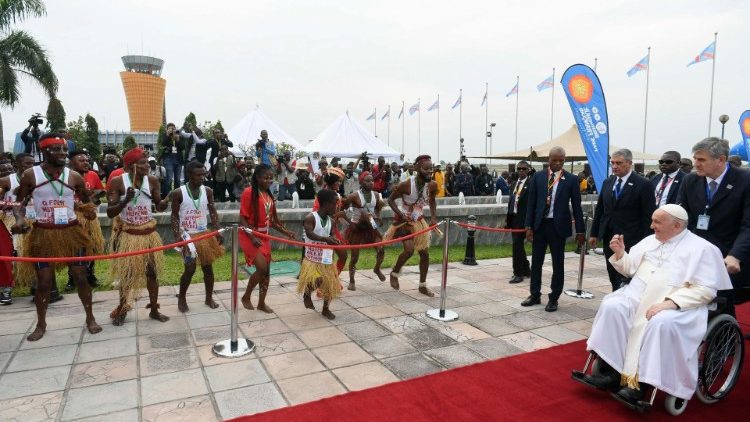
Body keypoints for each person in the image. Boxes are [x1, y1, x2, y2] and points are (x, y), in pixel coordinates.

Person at [582, 205, 731, 404]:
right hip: (636, 295)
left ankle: (641, 385)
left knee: (660, 322)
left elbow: (706, 291)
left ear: (676, 225)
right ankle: (611, 371)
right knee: (613, 306)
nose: (651, 226)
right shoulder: (649, 241)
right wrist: (620, 254)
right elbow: (629, 270)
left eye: (657, 222)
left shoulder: (703, 249)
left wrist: (671, 303)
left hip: (675, 303)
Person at [11, 134, 101, 341]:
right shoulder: (30, 175)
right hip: (43, 234)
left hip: (72, 233)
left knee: (81, 277)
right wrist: (19, 220)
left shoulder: (74, 176)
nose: (62, 153)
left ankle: (90, 318)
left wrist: (88, 209)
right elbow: (19, 204)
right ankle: (41, 324)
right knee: (43, 283)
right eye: (57, 150)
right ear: (44, 152)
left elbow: (87, 202)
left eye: (64, 150)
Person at [676, 137, 750, 309]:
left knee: (722, 307)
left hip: (729, 257)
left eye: (701, 159)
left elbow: (748, 225)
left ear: (721, 160)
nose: (696, 164)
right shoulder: (690, 181)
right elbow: (681, 217)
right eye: (695, 159)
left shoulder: (745, 181)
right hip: (696, 255)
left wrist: (735, 255)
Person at [106, 148, 170, 326]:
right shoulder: (118, 182)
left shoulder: (153, 181)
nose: (147, 166)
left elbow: (159, 205)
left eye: (147, 162)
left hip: (148, 233)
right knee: (127, 274)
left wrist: (166, 201)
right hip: (129, 234)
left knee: (152, 273)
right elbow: (111, 213)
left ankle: (154, 310)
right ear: (129, 166)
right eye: (142, 163)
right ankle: (123, 308)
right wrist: (125, 200)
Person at [523, 147, 585, 312]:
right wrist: (528, 226)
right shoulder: (538, 177)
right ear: (548, 159)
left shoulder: (571, 179)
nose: (558, 163)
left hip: (558, 227)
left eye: (561, 160)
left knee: (558, 264)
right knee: (536, 262)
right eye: (554, 160)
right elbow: (531, 204)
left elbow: (577, 208)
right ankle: (535, 294)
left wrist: (580, 231)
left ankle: (554, 298)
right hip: (540, 226)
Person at [589, 149, 656, 291]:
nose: (614, 166)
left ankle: (629, 301)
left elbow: (648, 216)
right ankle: (616, 295)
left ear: (629, 163)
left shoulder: (643, 184)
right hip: (609, 237)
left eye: (618, 163)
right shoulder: (608, 182)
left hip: (632, 239)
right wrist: (594, 233)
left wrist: (648, 242)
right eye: (612, 163)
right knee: (612, 270)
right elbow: (601, 210)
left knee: (628, 274)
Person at [239, 164, 297, 312]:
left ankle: (261, 303)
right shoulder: (249, 192)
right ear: (257, 177)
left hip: (264, 236)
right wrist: (252, 237)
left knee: (267, 272)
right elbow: (243, 219)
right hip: (249, 234)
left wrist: (286, 232)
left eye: (271, 178)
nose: (269, 180)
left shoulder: (268, 195)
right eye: (266, 177)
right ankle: (246, 296)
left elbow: (270, 221)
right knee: (262, 269)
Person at [171, 161, 225, 312]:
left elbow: (212, 210)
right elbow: (174, 215)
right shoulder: (178, 193)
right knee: (190, 269)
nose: (202, 177)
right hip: (187, 236)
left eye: (203, 174)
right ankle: (182, 298)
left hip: (204, 235)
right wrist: (177, 235)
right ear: (189, 175)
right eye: (198, 175)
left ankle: (209, 298)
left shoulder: (207, 190)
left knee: (208, 268)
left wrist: (217, 229)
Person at [384, 155, 437, 297]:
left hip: (419, 221)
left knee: (425, 254)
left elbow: (432, 201)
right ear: (418, 168)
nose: (429, 172)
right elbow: (390, 200)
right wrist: (401, 215)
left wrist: (433, 217)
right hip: (405, 222)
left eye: (431, 169)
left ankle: (422, 285)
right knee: (409, 251)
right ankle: (395, 273)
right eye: (426, 169)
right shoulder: (407, 184)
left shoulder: (432, 185)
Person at [298, 189, 341, 320]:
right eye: (334, 203)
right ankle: (306, 293)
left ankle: (326, 309)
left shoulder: (332, 221)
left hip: (326, 257)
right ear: (326, 204)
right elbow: (310, 234)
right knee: (318, 280)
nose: (336, 206)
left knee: (330, 283)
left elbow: (331, 235)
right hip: (312, 258)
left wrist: (333, 240)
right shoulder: (310, 217)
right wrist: (325, 239)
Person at [65, 151, 105, 292]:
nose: (86, 162)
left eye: (87, 160)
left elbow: (100, 191)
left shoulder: (92, 175)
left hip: (89, 216)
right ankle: (72, 278)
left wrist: (92, 197)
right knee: (72, 248)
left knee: (91, 245)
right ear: (71, 162)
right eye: (81, 160)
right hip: (72, 216)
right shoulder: (64, 176)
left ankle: (90, 275)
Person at [344, 172, 385, 291]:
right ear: (361, 182)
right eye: (367, 181)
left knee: (381, 249)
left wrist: (379, 216)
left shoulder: (376, 195)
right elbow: (343, 206)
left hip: (371, 227)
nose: (371, 182)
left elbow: (378, 208)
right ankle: (352, 280)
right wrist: (348, 218)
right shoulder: (354, 196)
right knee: (354, 257)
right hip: (357, 227)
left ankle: (377, 268)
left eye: (372, 180)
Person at [312, 167, 349, 275]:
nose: (339, 184)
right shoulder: (322, 195)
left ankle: (333, 279)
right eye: (338, 181)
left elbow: (337, 213)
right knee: (326, 259)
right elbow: (318, 214)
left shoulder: (337, 195)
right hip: (322, 230)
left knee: (343, 255)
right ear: (332, 181)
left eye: (340, 182)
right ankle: (323, 286)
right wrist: (338, 214)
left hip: (333, 230)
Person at [506, 161, 531, 284]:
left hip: (523, 220)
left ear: (528, 170)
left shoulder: (531, 184)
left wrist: (529, 223)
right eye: (519, 168)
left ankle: (518, 273)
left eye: (523, 169)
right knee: (518, 246)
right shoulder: (514, 183)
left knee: (516, 246)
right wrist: (508, 219)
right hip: (513, 218)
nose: (521, 171)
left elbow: (532, 204)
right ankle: (526, 269)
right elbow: (512, 201)